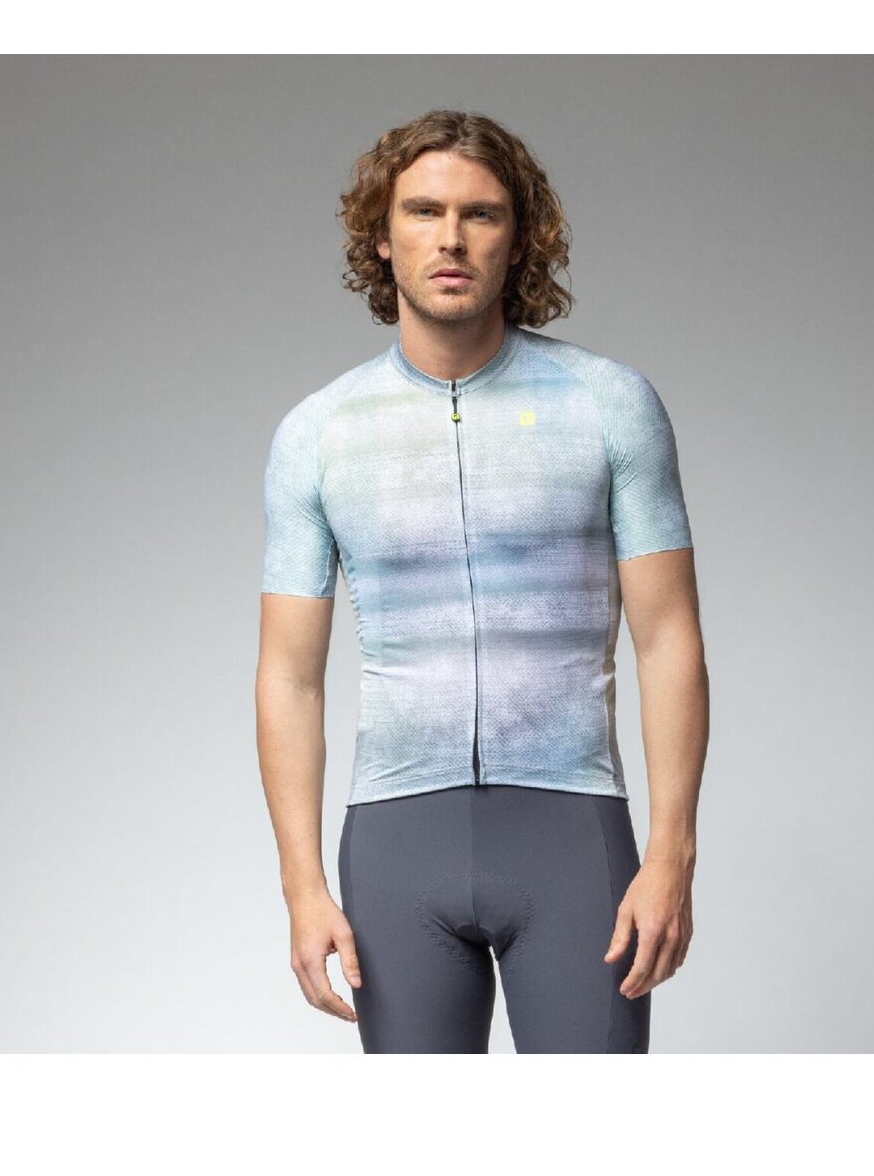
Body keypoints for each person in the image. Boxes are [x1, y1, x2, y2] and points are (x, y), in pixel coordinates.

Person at [255, 109, 709, 1054]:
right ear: (382, 238)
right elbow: (289, 676)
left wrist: (673, 851)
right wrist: (302, 885)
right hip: (396, 847)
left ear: (519, 237)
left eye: (481, 213)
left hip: (573, 837)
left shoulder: (610, 405)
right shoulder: (319, 433)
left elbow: (669, 638)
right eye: (423, 211)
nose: (451, 238)